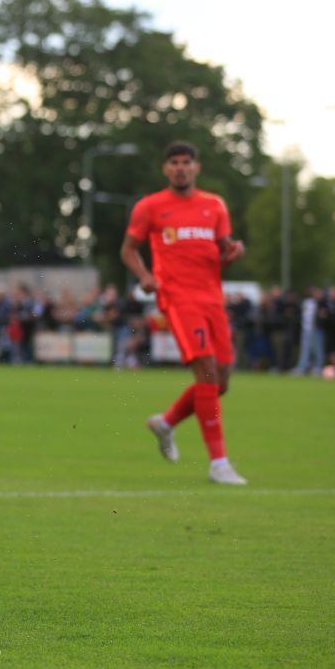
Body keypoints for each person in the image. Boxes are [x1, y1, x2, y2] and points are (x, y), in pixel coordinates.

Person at [121, 141, 248, 485]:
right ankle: (218, 463)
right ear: (166, 169)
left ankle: (166, 423)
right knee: (205, 370)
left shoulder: (214, 206)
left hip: (212, 299)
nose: (180, 167)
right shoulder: (151, 207)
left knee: (220, 382)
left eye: (186, 162)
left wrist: (234, 252)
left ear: (196, 167)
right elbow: (128, 249)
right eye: (174, 162)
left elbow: (223, 250)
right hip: (178, 299)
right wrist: (145, 276)